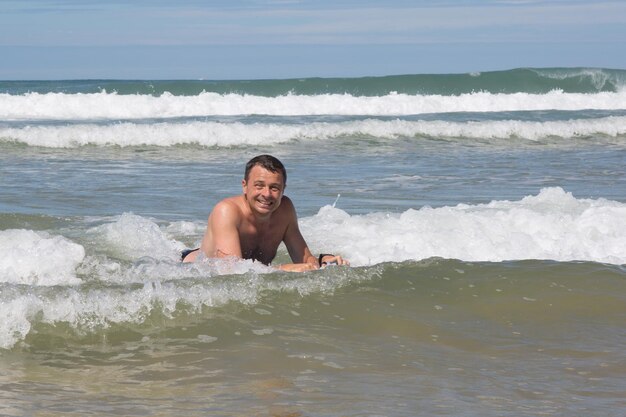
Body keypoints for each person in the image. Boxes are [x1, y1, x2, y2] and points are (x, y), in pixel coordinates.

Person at [182, 154, 348, 272]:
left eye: (274, 188)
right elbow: (233, 273)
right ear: (244, 186)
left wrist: (323, 263)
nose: (267, 194)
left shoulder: (285, 209)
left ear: (283, 190)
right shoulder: (226, 211)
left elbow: (305, 261)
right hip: (187, 267)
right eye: (259, 185)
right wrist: (286, 269)